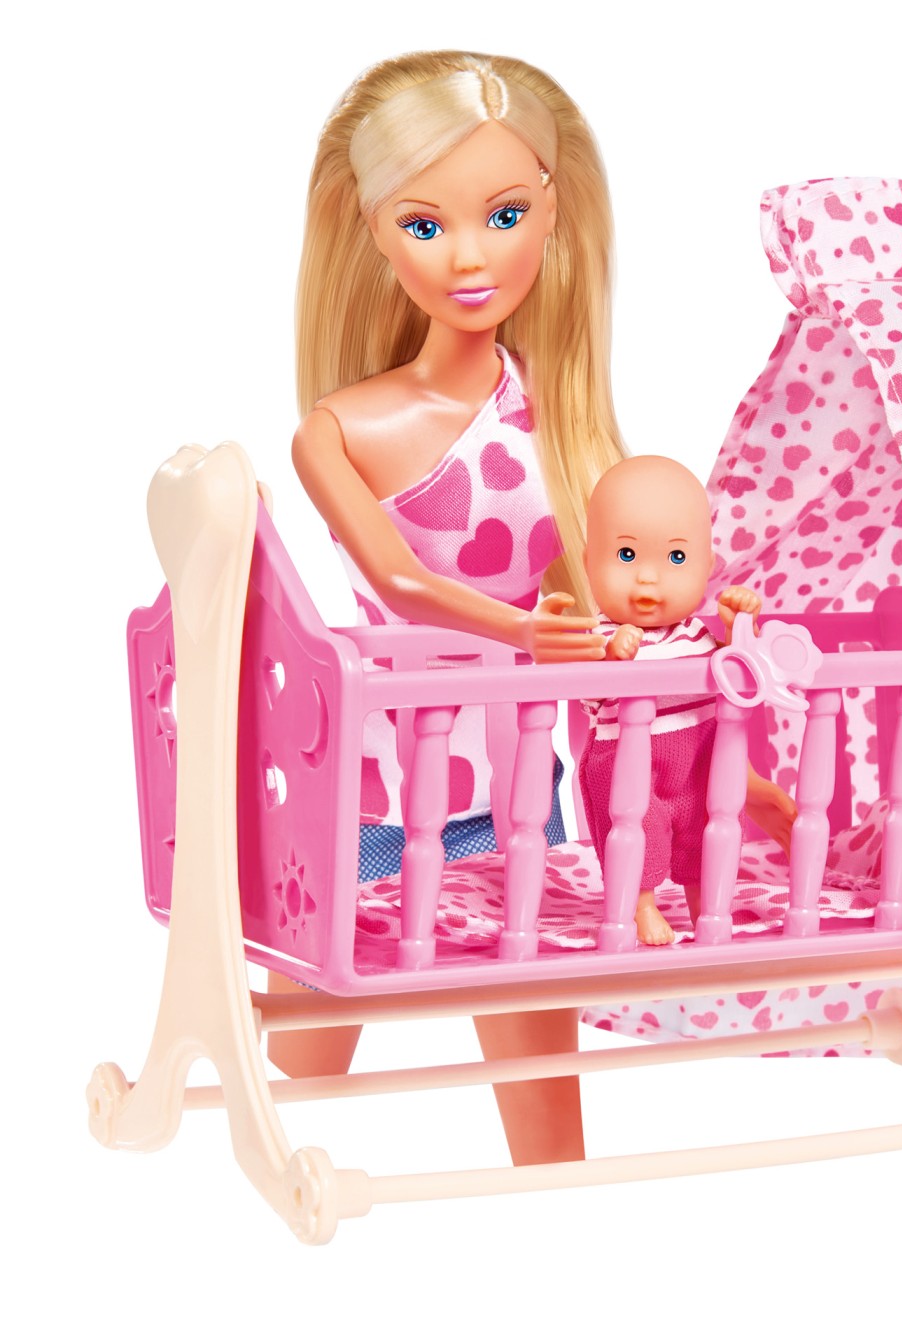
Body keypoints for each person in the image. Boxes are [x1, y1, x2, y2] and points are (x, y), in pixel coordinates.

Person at [270, 50, 626, 1166]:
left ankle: (558, 1196)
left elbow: (615, 565)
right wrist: (519, 629)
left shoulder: (557, 411)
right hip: (384, 773)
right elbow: (396, 581)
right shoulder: (341, 428)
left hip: (518, 770)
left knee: (530, 1008)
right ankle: (241, 1055)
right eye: (425, 225)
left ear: (551, 212)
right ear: (373, 232)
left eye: (504, 215)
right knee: (315, 1042)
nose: (470, 257)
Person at [579, 456, 789, 945]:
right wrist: (611, 659)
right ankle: (640, 907)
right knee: (636, 833)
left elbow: (742, 673)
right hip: (628, 765)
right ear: (590, 562)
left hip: (698, 761)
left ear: (706, 567)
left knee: (705, 829)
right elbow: (587, 691)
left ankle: (704, 904)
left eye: (675, 558)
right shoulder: (600, 635)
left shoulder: (697, 634)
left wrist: (740, 630)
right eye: (626, 555)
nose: (648, 579)